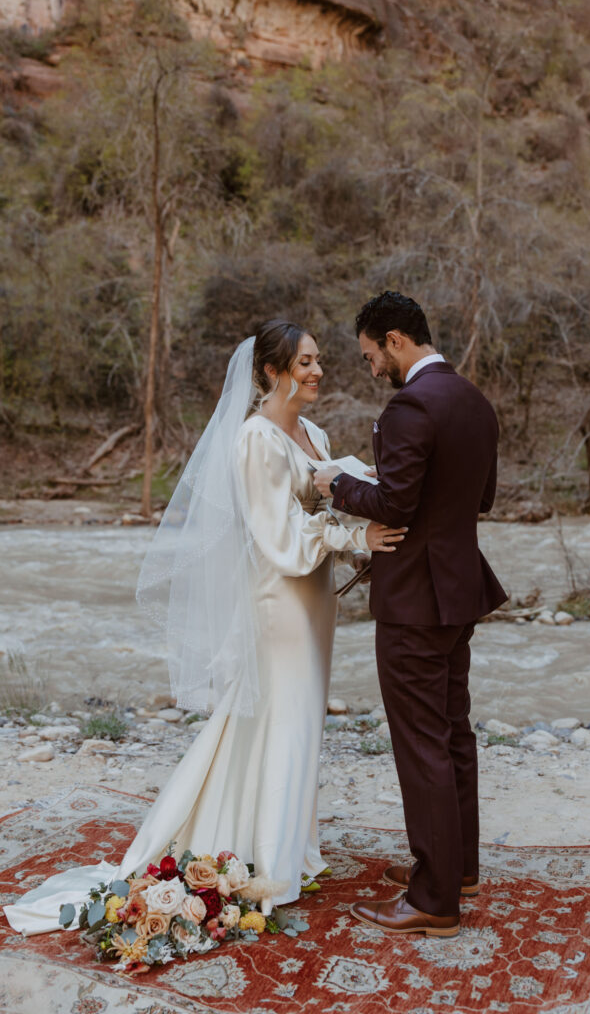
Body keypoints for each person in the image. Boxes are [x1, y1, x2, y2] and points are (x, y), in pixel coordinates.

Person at [4, 319, 406, 936]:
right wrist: (358, 535)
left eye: (319, 360)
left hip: (315, 596)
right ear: (271, 372)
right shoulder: (254, 439)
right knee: (279, 712)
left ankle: (289, 846)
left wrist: (366, 515)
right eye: (304, 363)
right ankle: (266, 858)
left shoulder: (315, 433)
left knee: (299, 718)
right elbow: (278, 535)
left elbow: (324, 505)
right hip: (280, 598)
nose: (318, 371)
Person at [314, 291, 506, 938]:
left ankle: (433, 899)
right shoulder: (474, 402)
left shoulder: (412, 405)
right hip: (458, 591)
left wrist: (335, 485)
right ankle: (459, 868)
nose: (371, 370)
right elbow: (478, 497)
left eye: (371, 356)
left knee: (421, 742)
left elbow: (394, 505)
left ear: (396, 340)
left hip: (414, 600)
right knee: (453, 732)